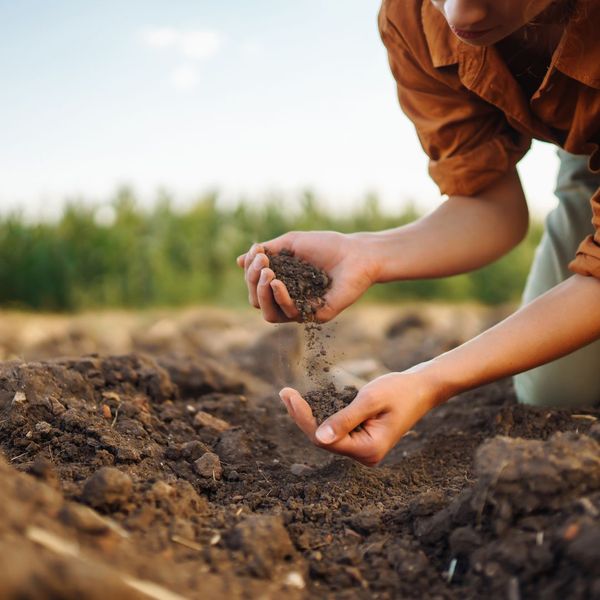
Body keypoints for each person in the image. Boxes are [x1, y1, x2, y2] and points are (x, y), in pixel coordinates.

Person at [237, 0, 600, 467]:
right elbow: (490, 206)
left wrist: (432, 379)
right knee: (556, 391)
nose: (459, 17)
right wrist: (367, 252)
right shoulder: (413, 19)